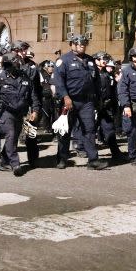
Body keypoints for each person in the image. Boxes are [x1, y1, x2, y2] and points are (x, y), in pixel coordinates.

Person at [53, 34, 108, 170]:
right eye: (79, 44)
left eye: (84, 44)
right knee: (65, 131)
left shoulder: (90, 60)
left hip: (86, 102)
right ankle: (62, 159)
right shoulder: (63, 60)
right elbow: (59, 82)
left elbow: (96, 82)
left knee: (89, 130)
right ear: (72, 44)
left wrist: (98, 99)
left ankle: (93, 160)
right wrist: (66, 97)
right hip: (70, 101)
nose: (82, 46)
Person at [0, 53, 40, 176]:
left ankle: (4, 163)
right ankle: (16, 164)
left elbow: (33, 97)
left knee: (13, 139)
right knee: (11, 135)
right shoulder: (0, 79)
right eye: (11, 64)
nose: (14, 66)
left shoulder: (25, 78)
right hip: (5, 113)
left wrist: (35, 110)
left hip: (20, 113)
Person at [8, 41, 44, 166]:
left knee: (31, 132)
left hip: (28, 102)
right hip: (12, 104)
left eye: (25, 49)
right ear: (15, 50)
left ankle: (33, 159)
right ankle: (7, 159)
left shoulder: (32, 65)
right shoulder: (8, 64)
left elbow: (36, 88)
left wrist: (36, 107)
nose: (25, 52)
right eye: (22, 49)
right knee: (12, 134)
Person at [94, 51, 125, 161]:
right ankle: (90, 155)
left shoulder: (105, 73)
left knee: (109, 130)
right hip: (94, 107)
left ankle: (116, 153)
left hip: (105, 107)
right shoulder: (91, 72)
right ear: (97, 60)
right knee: (90, 131)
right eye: (104, 59)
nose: (106, 62)